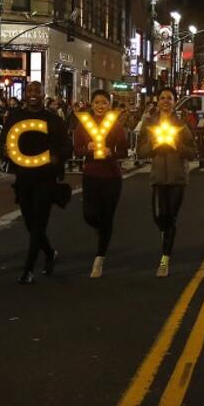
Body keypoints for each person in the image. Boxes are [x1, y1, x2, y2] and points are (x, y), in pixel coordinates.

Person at [0, 81, 73, 284]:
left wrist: (58, 157)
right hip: (23, 178)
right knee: (31, 224)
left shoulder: (53, 120)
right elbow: (2, 143)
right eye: (30, 91)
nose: (33, 94)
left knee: (39, 223)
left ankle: (28, 268)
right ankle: (49, 252)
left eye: (37, 91)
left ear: (42, 94)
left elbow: (67, 146)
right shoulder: (15, 118)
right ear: (25, 94)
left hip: (46, 178)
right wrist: (4, 153)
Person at [137, 87, 197, 278]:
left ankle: (165, 258)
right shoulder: (149, 123)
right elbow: (140, 151)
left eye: (169, 98)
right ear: (158, 101)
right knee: (158, 216)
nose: (165, 101)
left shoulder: (181, 124)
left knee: (170, 216)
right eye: (162, 98)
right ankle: (167, 235)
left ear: (174, 102)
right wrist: (153, 146)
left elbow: (193, 152)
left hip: (178, 177)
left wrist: (177, 146)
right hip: (158, 177)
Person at [74, 89, 130, 279]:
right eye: (97, 102)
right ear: (91, 104)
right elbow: (77, 150)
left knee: (107, 217)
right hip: (90, 174)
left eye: (104, 103)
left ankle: (100, 257)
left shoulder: (115, 126)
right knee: (89, 215)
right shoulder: (83, 126)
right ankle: (102, 231)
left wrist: (111, 152)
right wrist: (86, 149)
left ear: (109, 105)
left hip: (112, 176)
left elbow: (124, 150)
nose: (100, 106)